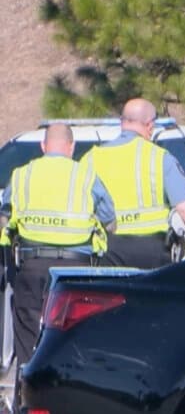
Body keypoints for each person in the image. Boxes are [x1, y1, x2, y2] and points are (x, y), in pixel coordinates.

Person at [0, 123, 116, 368]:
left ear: (43, 146)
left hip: (33, 265)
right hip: (77, 270)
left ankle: (28, 394)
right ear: (71, 147)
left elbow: (5, 214)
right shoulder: (86, 175)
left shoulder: (22, 174)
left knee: (28, 330)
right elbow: (109, 220)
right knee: (75, 332)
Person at [86, 98, 185, 269]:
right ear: (150, 126)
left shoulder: (92, 158)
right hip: (153, 252)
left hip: (108, 250)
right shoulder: (159, 157)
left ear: (122, 123)